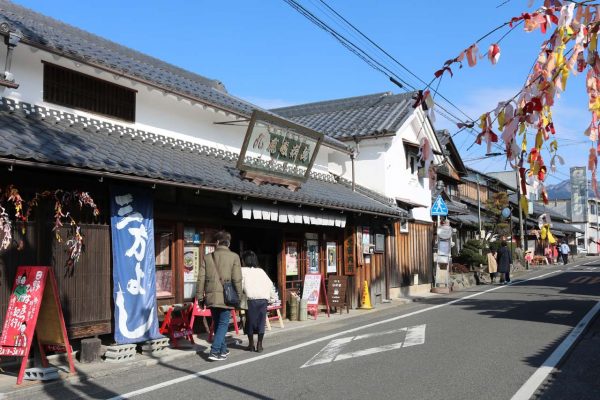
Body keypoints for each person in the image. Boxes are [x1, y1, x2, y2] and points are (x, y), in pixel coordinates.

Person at [197, 230, 242, 361]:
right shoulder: (234, 257)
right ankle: (215, 351)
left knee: (217, 324)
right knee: (222, 324)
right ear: (228, 243)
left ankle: (223, 350)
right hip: (227, 297)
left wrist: (200, 297)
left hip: (211, 297)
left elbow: (201, 279)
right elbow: (237, 279)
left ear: (217, 242)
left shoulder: (207, 257)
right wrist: (238, 296)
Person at [241, 250, 275, 353]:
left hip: (251, 300)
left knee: (250, 322)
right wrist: (272, 298)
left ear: (245, 260)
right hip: (263, 300)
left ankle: (251, 344)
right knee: (261, 322)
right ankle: (259, 344)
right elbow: (270, 284)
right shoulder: (261, 271)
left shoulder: (242, 270)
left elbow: (240, 285)